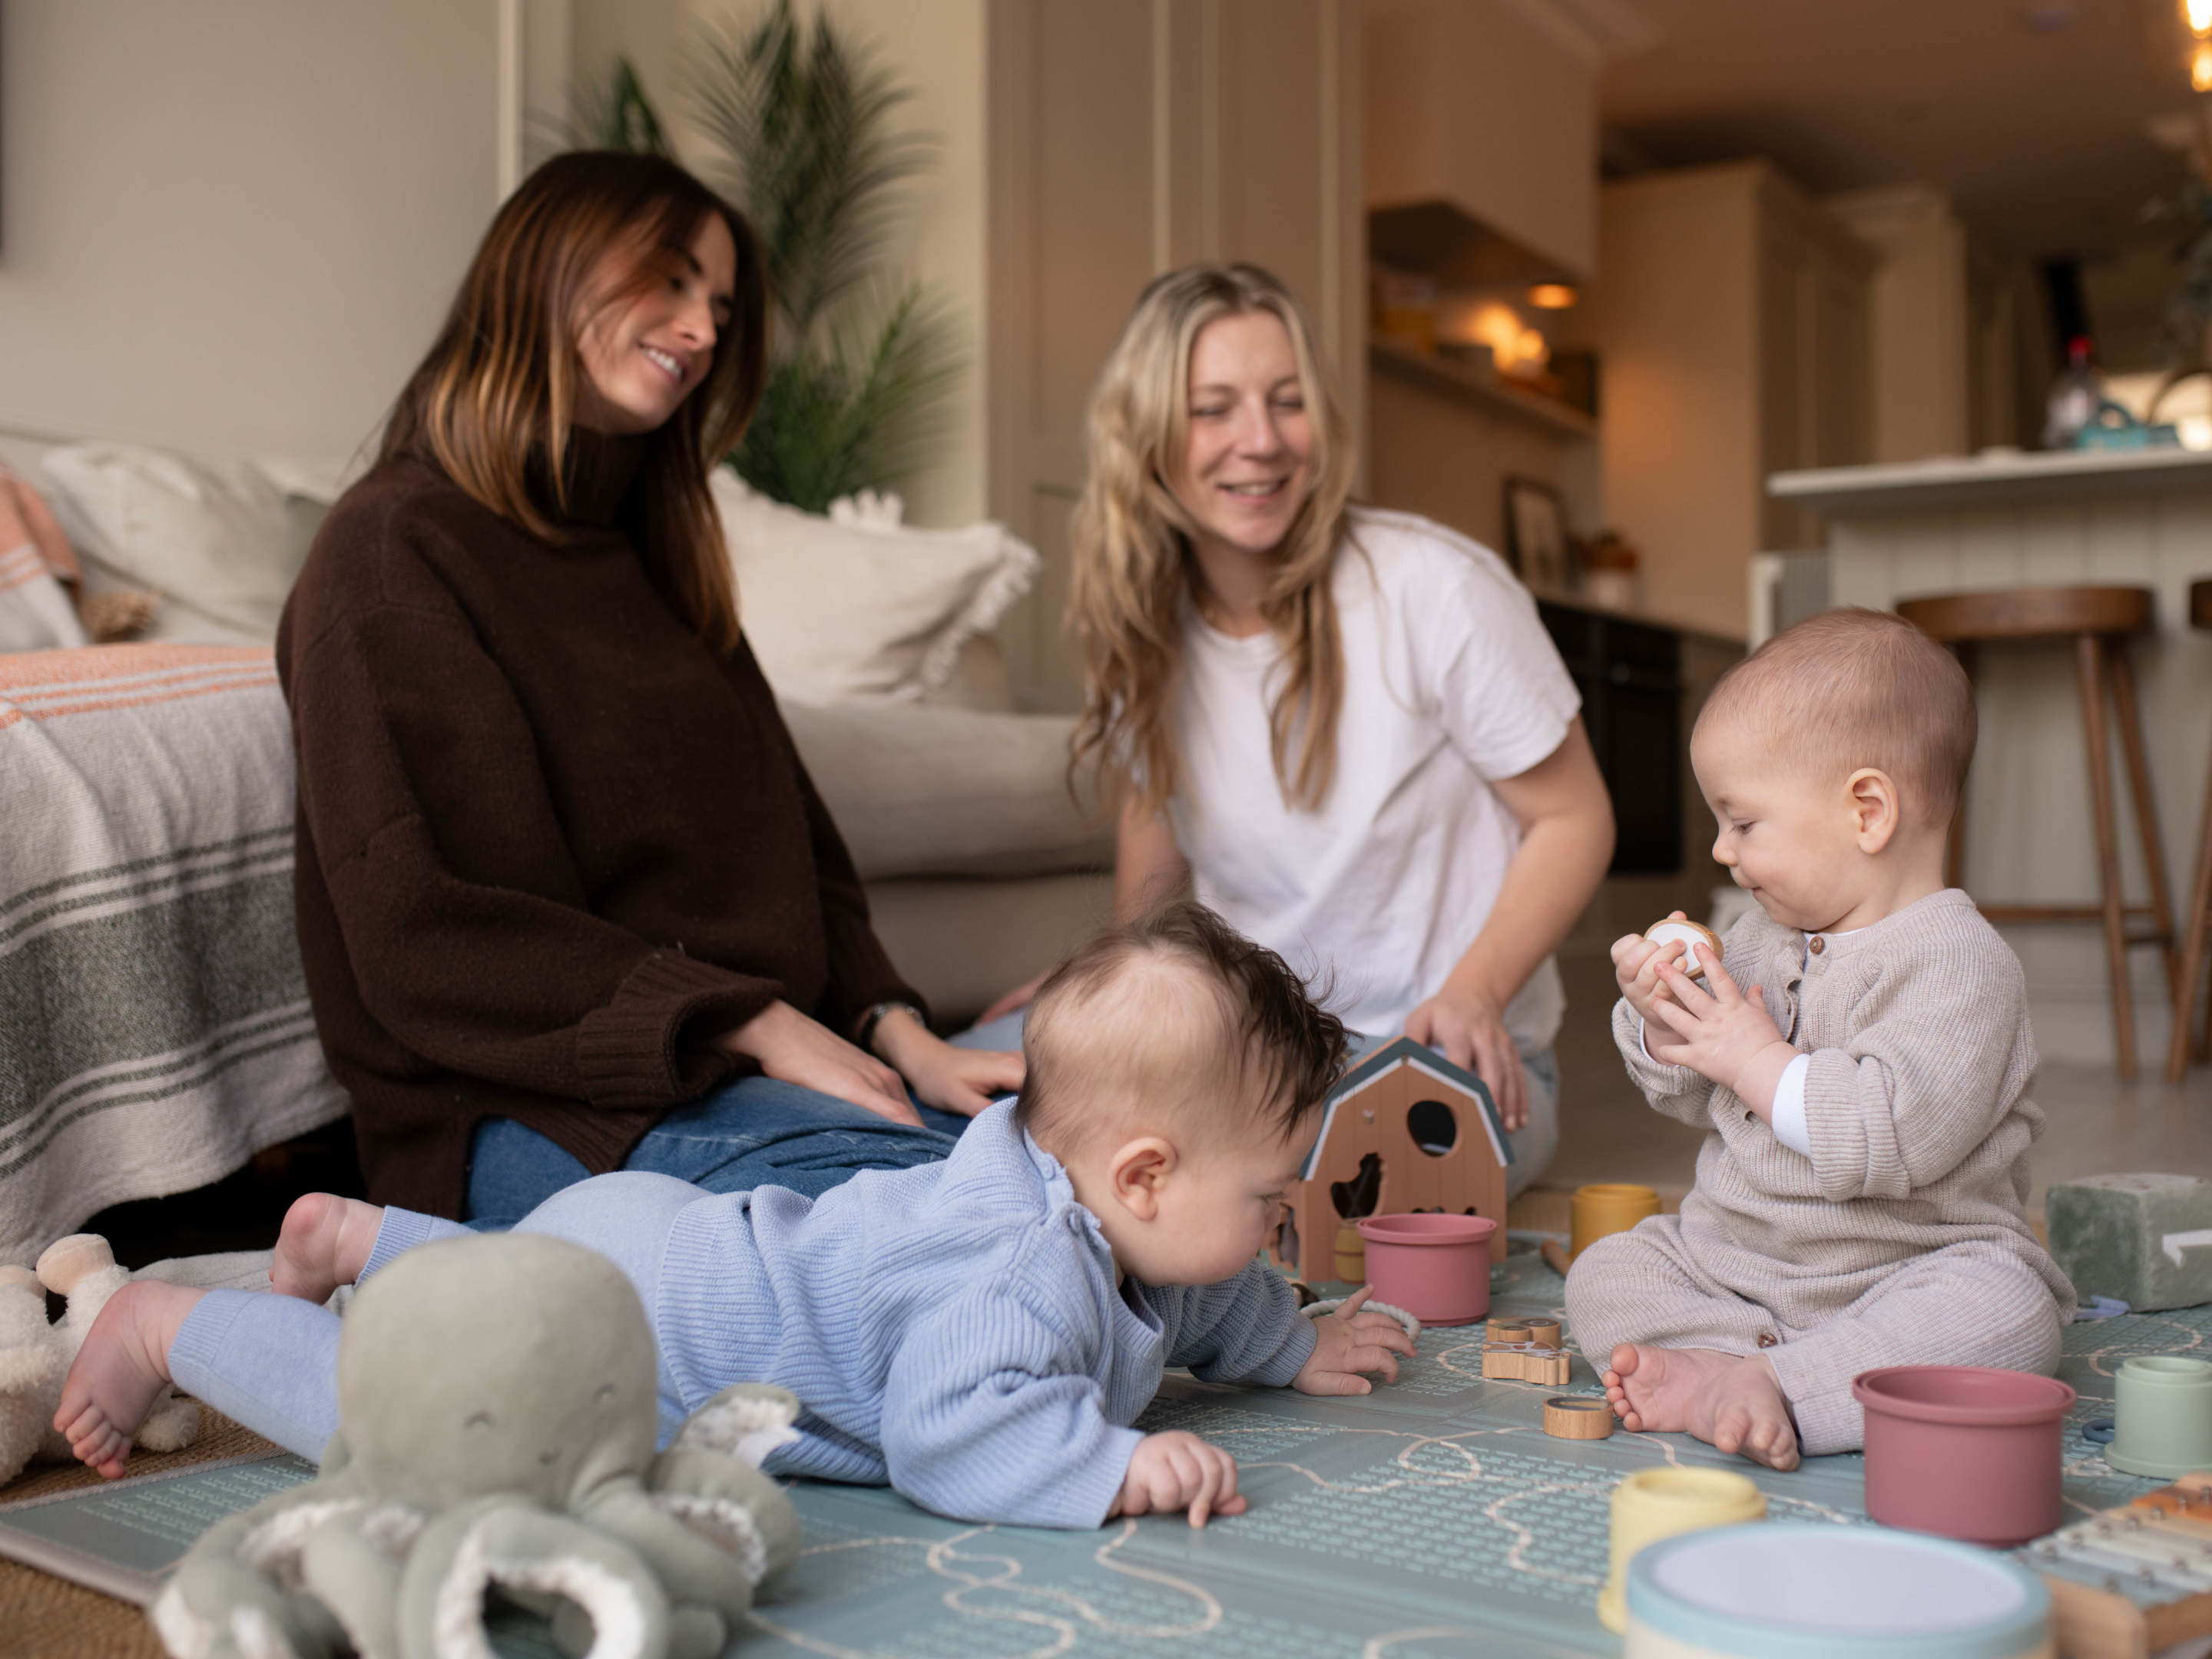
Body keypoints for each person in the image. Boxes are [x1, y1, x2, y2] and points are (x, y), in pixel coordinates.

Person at [58, 903, 1418, 1528]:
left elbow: (1199, 1293)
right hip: (656, 1337)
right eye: (1267, 1199)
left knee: (521, 1280)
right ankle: (174, 1321)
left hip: (664, 1243)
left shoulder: (1121, 1220)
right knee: (451, 1420)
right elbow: (954, 1439)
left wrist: (1294, 1347)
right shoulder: (1014, 1277)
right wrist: (1108, 1470)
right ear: (1142, 1176)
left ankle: (360, 1239)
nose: (1282, 1227)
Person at [276, 151, 1018, 1228]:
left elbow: (802, 849)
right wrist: (754, 1019)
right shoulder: (391, 554)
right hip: (528, 1115)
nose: (705, 329)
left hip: (735, 1079)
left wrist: (901, 1033)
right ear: (547, 268)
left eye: (717, 304)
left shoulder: (660, 565)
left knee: (1094, 1152)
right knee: (1002, 1225)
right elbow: (426, 932)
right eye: (669, 280)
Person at [972, 265, 1614, 1197]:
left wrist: (1474, 990)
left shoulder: (1432, 586)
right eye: (1214, 409)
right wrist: (1105, 994)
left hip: (1434, 1051)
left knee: (1318, 1191)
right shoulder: (1148, 627)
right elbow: (1154, 846)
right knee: (975, 1090)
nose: (1261, 442)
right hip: (1247, 1052)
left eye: (1286, 402)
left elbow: (1576, 818)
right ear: (1148, 437)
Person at [1575, 608, 2074, 1471]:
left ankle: (1777, 1382)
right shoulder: (1762, 940)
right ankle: (1737, 1367)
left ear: (1867, 812)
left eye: (1744, 822)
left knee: (2009, 1314)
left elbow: (1891, 1137)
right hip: (1735, 1265)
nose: (1725, 853)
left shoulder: (1960, 966)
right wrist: (1663, 1022)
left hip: (1906, 1268)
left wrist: (1755, 1057)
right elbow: (1694, 1094)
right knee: (1608, 1269)